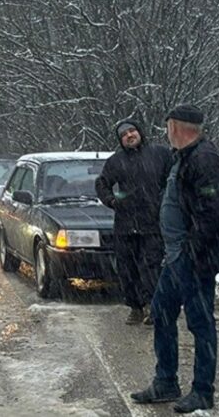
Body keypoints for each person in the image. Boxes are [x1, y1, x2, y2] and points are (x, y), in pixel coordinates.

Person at [131, 104, 219, 413]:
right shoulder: (183, 157)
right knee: (160, 312)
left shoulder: (205, 159)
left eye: (168, 126)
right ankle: (166, 382)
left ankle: (203, 391)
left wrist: (191, 251)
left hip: (194, 259)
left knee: (200, 324)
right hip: (176, 259)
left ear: (177, 127)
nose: (166, 132)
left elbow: (212, 212)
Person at [96, 119, 172, 325]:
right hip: (125, 225)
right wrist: (112, 201)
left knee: (151, 267)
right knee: (127, 269)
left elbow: (174, 179)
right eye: (124, 134)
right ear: (121, 141)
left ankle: (154, 308)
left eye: (132, 131)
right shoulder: (115, 161)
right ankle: (135, 307)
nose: (129, 135)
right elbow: (102, 184)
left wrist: (168, 204)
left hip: (153, 224)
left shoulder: (161, 154)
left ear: (140, 132)